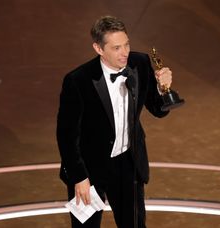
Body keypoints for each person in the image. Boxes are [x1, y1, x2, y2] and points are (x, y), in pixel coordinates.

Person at [57, 15, 172, 228]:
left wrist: (163, 89)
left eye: (127, 44)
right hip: (90, 169)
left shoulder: (140, 63)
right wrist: (79, 177)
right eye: (116, 48)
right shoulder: (78, 81)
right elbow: (66, 136)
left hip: (128, 163)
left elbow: (158, 110)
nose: (125, 53)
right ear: (99, 49)